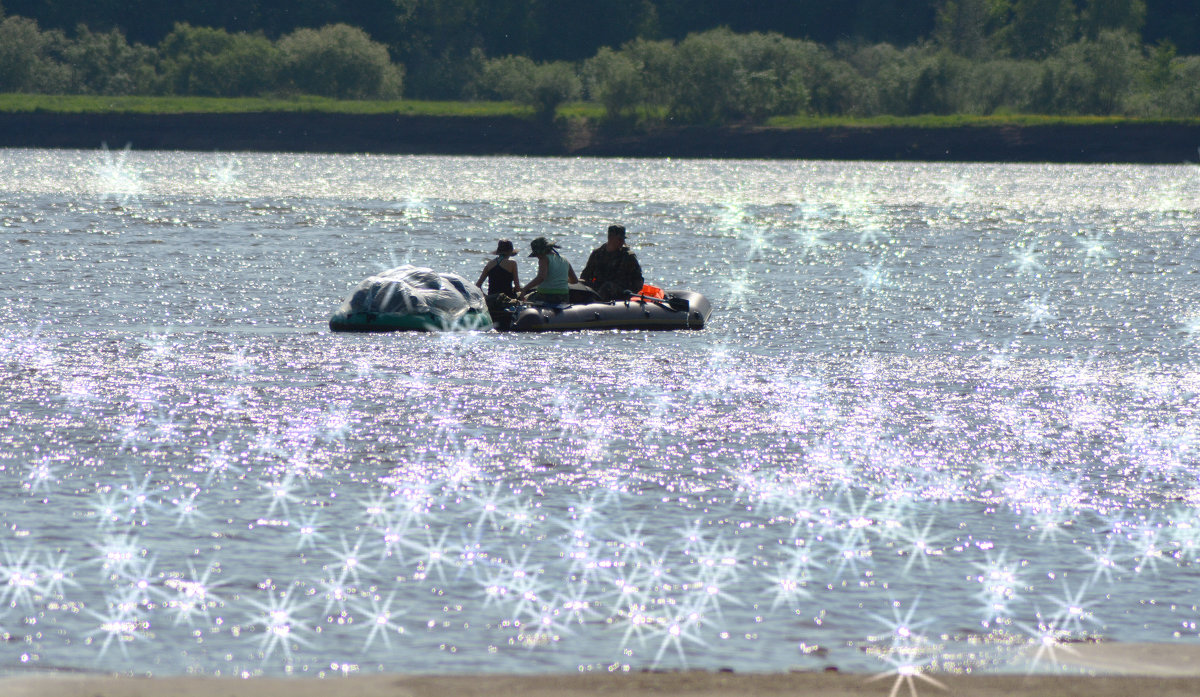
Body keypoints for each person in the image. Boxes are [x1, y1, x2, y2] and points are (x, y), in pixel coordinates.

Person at [580, 225, 644, 300]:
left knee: (607, 287)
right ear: (610, 238)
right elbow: (585, 276)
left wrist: (629, 292)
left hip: (620, 292)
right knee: (579, 283)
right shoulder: (597, 254)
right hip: (598, 288)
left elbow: (638, 281)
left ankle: (596, 301)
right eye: (619, 239)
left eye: (623, 239)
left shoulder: (628, 257)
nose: (622, 242)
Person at [520, 236, 578, 304]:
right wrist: (560, 279)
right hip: (564, 296)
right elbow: (574, 280)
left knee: (526, 299)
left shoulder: (544, 259)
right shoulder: (564, 259)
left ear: (540, 252)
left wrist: (524, 289)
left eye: (537, 255)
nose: (538, 257)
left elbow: (541, 277)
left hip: (546, 295)